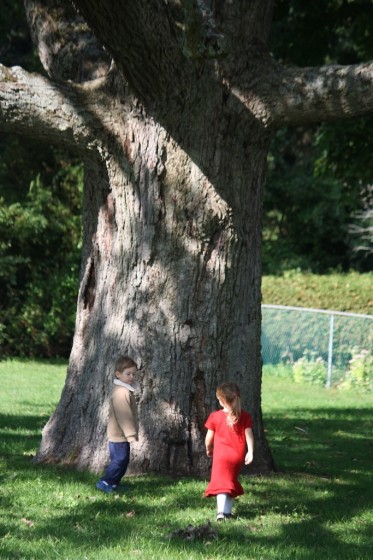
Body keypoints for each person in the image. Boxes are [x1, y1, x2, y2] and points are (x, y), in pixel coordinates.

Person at [204, 381, 254, 521]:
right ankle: (228, 513)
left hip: (221, 457)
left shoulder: (215, 416)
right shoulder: (244, 416)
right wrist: (250, 451)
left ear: (221, 400)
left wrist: (209, 448)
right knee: (230, 481)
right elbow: (249, 434)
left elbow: (209, 438)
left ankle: (220, 512)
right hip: (237, 456)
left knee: (221, 484)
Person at [96, 355, 139, 493]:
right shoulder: (121, 392)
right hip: (119, 434)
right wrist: (131, 434)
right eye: (128, 374)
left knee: (123, 460)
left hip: (122, 434)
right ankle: (105, 482)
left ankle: (114, 484)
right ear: (118, 374)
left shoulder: (125, 390)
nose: (131, 376)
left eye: (133, 374)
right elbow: (124, 416)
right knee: (119, 460)